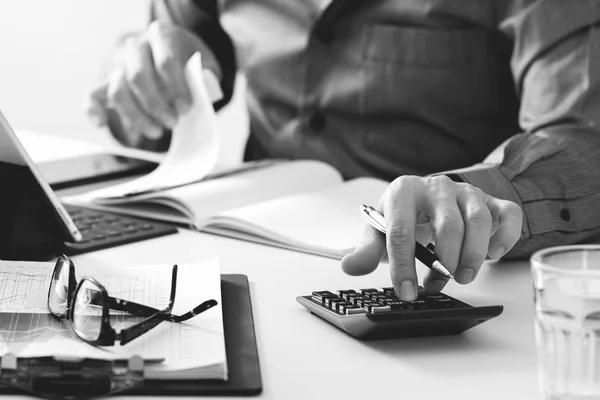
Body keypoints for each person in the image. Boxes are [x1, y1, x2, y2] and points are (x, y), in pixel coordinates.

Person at [87, 0, 600, 301]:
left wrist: (477, 193)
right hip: (236, 265)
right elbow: (159, 90)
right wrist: (137, 75)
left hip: (443, 284)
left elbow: (584, 134)